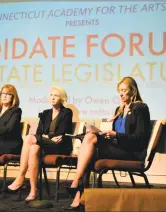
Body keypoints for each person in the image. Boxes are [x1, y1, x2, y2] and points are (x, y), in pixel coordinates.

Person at [63, 77, 151, 211]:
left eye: (124, 90)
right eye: (119, 91)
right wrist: (106, 134)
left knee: (89, 146)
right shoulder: (119, 109)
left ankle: (77, 189)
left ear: (133, 91)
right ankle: (79, 198)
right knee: (90, 139)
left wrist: (116, 135)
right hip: (117, 146)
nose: (121, 94)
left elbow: (141, 138)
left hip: (132, 152)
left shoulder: (141, 108)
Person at [7, 86, 73, 202]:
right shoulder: (45, 113)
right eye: (51, 95)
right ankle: (33, 190)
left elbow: (61, 133)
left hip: (60, 146)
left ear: (62, 98)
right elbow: (39, 133)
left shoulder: (67, 112)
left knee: (28, 139)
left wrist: (46, 136)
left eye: (56, 95)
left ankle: (21, 177)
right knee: (33, 149)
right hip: (46, 144)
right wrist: (46, 137)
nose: (52, 97)